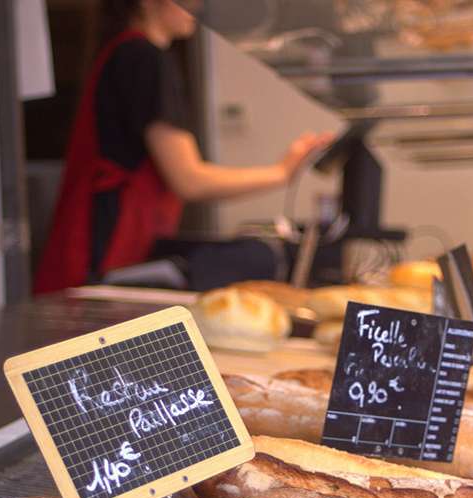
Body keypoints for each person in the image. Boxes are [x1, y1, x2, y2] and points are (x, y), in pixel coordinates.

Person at [34, 0, 333, 293]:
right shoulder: (142, 56)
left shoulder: (130, 53)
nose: (198, 6)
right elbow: (188, 180)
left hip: (105, 243)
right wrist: (281, 172)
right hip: (103, 248)